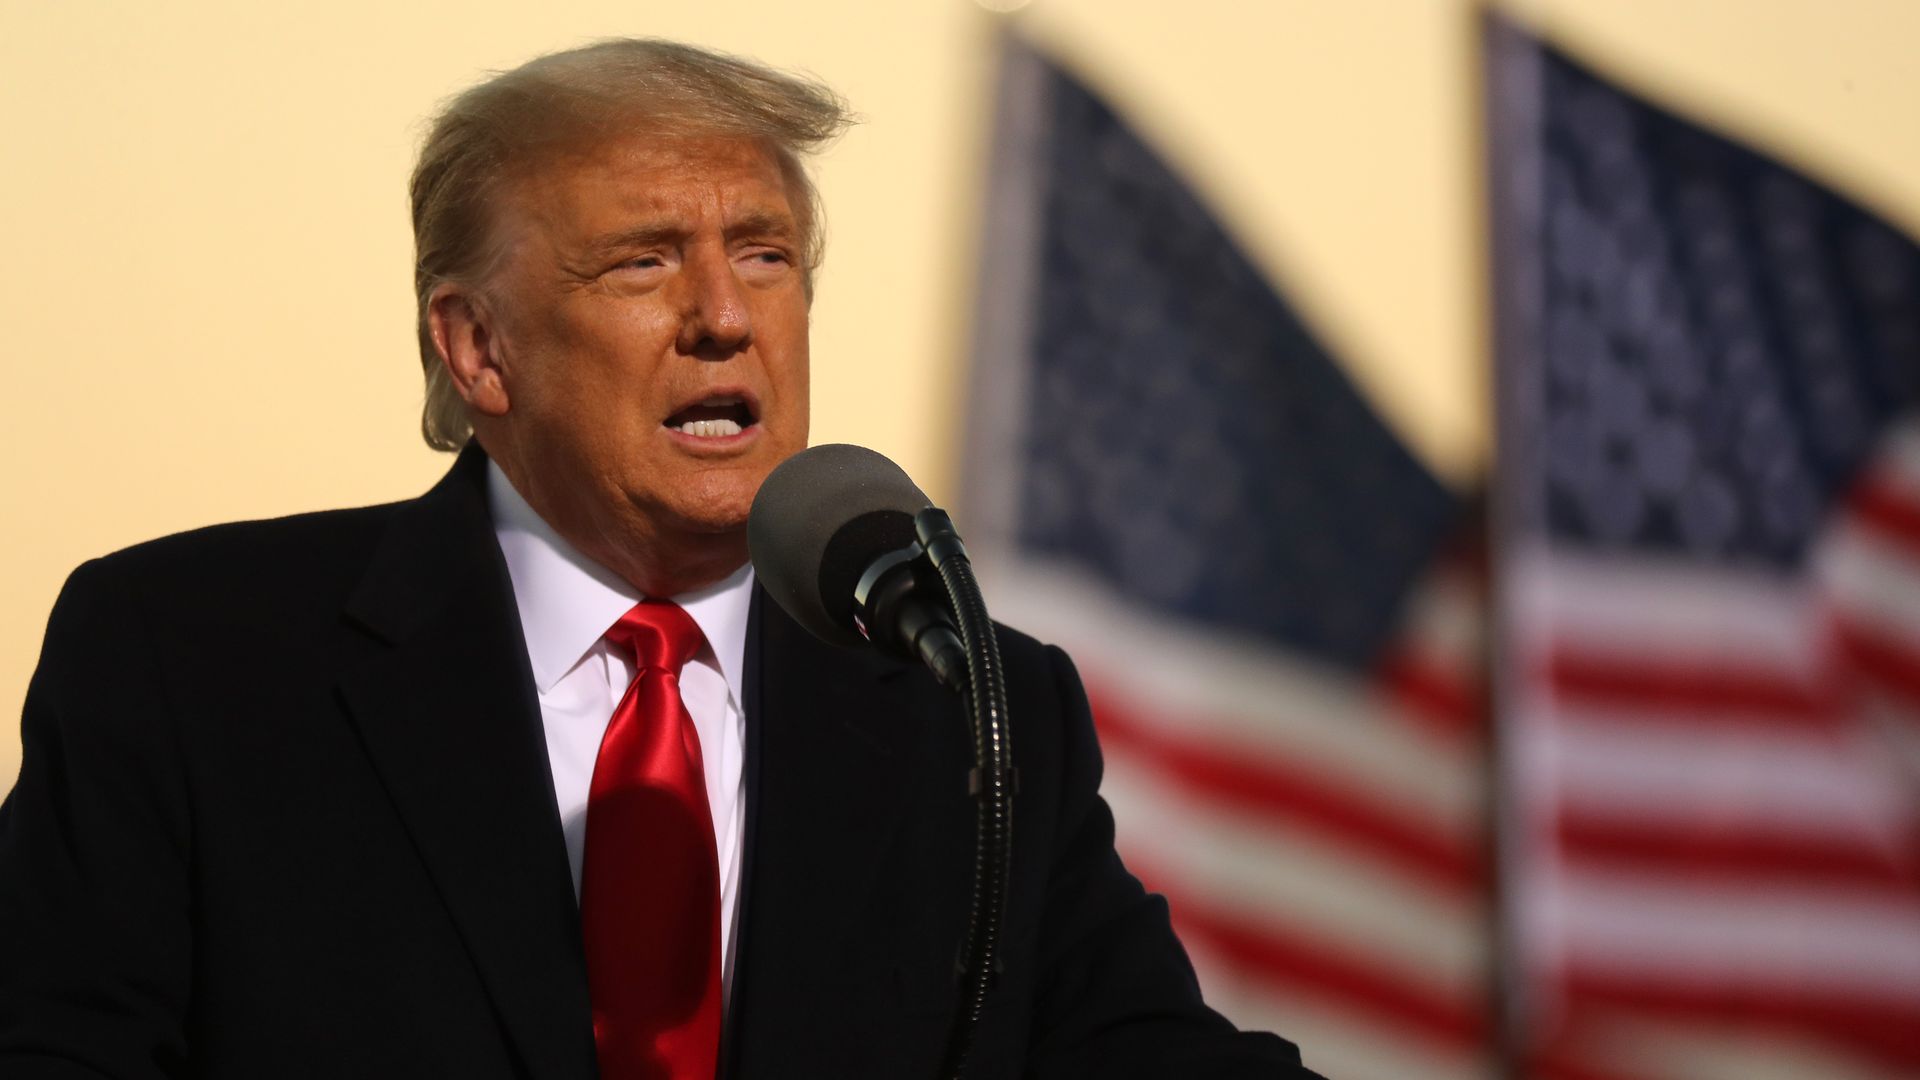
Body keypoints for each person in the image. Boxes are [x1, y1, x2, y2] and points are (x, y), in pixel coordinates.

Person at [0, 38, 1316, 1079]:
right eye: (644, 261)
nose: (726, 317)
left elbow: (1141, 1055)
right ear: (477, 348)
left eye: (765, 254)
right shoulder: (190, 665)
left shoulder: (967, 701)